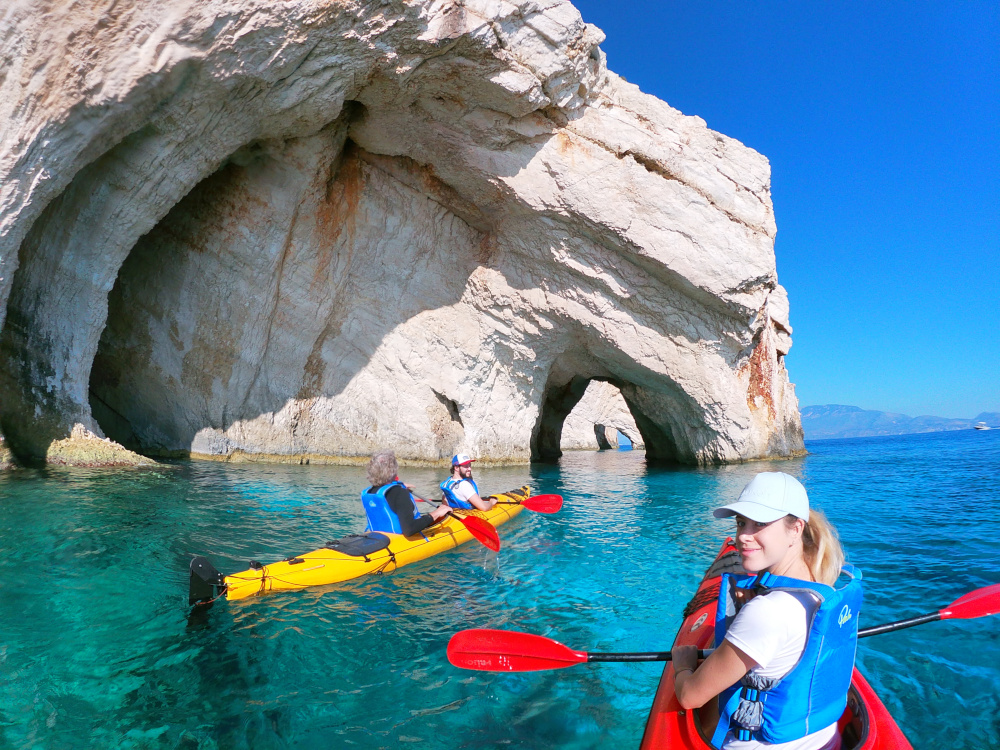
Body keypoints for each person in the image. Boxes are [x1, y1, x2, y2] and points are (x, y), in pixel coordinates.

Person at [672, 472, 862, 750]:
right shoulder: (821, 588)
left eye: (759, 523)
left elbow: (690, 696)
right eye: (740, 523)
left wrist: (683, 665)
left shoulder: (767, 611)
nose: (742, 537)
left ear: (796, 529)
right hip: (823, 739)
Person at [361, 450, 450, 535]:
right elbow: (409, 529)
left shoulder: (369, 491)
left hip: (378, 537)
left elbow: (385, 488)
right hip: (398, 541)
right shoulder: (399, 493)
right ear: (393, 470)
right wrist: (436, 513)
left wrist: (399, 485)